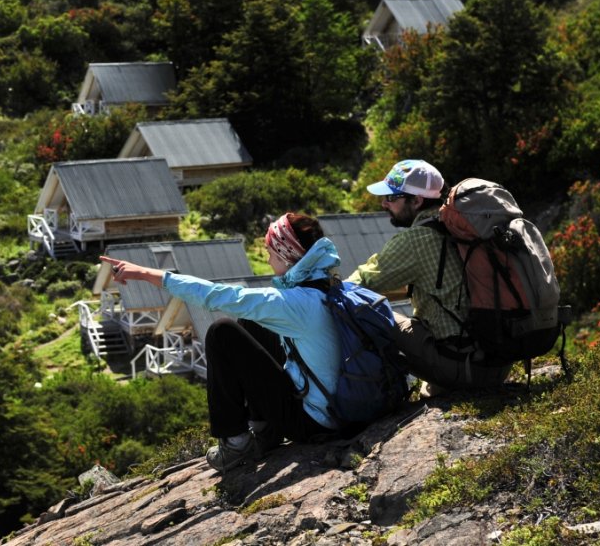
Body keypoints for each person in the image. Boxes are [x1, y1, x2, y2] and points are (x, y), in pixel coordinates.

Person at [100, 213, 343, 473]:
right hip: (341, 409)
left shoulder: (292, 303)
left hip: (315, 423)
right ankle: (264, 429)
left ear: (287, 256)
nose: (269, 260)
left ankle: (236, 443)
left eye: (270, 253)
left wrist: (147, 274)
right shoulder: (331, 286)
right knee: (253, 324)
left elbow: (216, 296)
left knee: (221, 332)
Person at [346, 160, 512, 395]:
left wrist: (323, 288)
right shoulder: (463, 226)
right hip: (499, 361)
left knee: (371, 311)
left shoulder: (416, 239)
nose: (384, 203)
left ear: (417, 200)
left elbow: (357, 284)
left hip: (465, 369)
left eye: (392, 198)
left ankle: (380, 394)